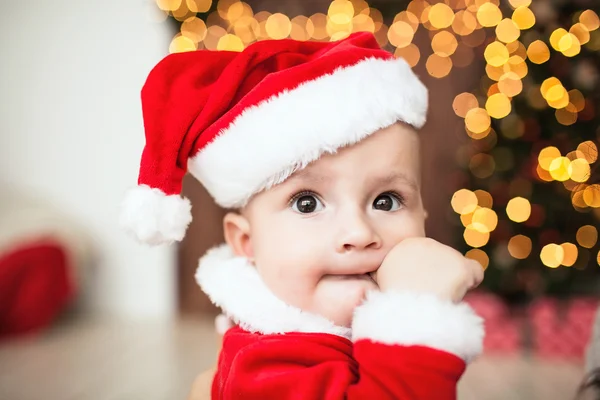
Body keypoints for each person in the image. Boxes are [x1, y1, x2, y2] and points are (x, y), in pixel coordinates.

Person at [120, 31, 486, 399]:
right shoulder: (263, 363)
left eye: (387, 200)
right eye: (307, 203)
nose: (359, 234)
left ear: (422, 214)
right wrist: (416, 316)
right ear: (247, 243)